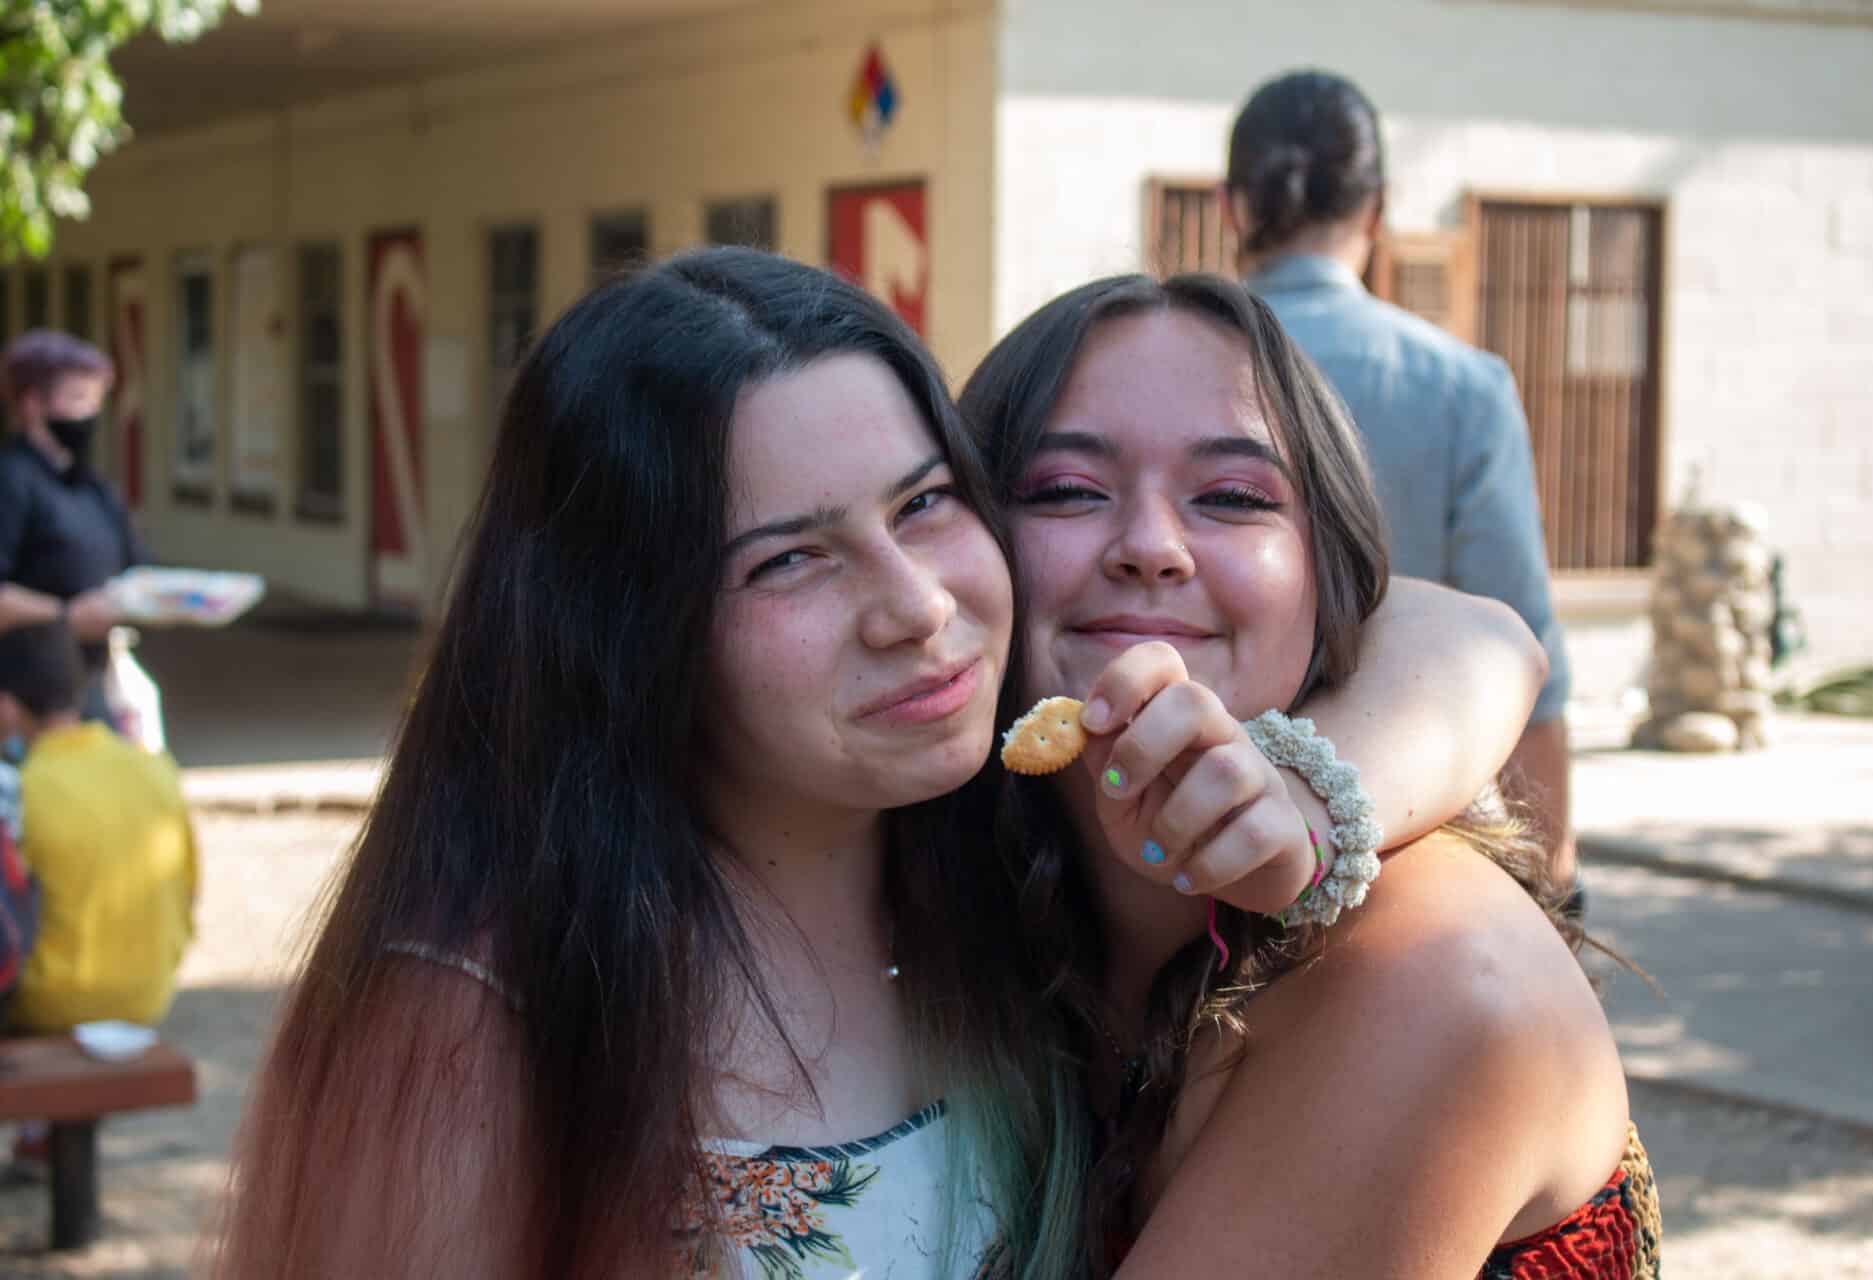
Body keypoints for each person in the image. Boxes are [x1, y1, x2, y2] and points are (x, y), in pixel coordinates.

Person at [211, 248, 1541, 1277]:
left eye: (926, 505)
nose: (915, 605)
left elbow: (1466, 631)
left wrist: (1315, 785)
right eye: (789, 558)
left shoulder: (982, 874)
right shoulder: (483, 1020)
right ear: (627, 632)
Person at [961, 273, 1658, 1277]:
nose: (1153, 547)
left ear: (1332, 576)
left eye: (1234, 497)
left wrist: (1309, 799)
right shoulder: (956, 902)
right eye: (1068, 489)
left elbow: (1489, 636)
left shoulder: (1431, 971)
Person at [1225, 70, 1582, 905]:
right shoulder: (1463, 388)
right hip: (1407, 840)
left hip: (1190, 818)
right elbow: (1525, 651)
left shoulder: (1157, 373)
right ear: (1377, 210)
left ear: (1232, 206)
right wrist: (1556, 880)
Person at [0, 621, 195, 1032]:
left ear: (8, 706)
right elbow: (189, 890)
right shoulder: (155, 767)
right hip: (150, 991)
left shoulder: (17, 788)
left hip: (46, 1002)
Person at [0, 332, 139, 688]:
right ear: (33, 404)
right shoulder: (12, 481)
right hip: (25, 693)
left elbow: (136, 567)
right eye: (78, 398)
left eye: (96, 402)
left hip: (89, 679)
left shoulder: (92, 487)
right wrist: (65, 616)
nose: (89, 415)